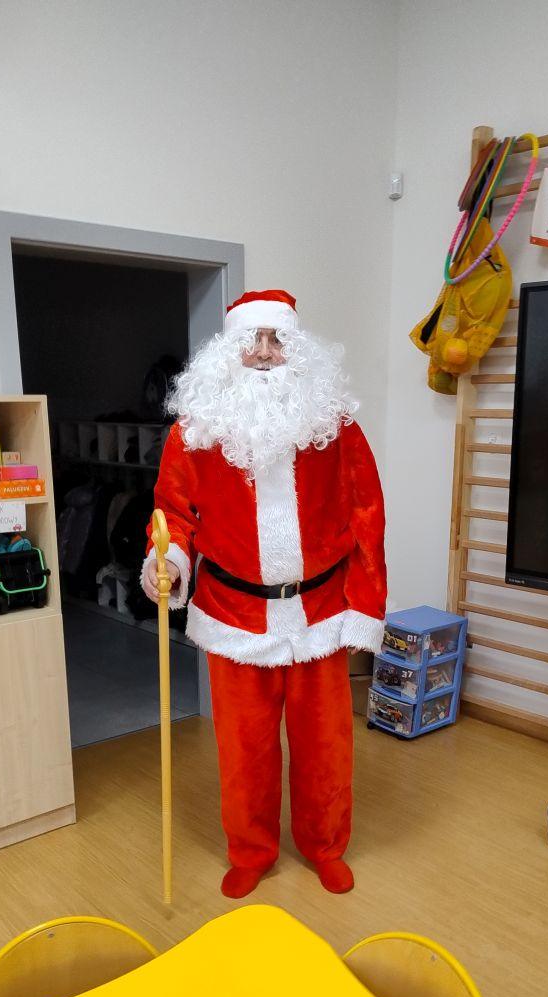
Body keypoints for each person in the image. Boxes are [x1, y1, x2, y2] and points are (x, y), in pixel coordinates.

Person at [142, 289, 386, 898]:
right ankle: (251, 851)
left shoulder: (335, 427)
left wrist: (365, 606)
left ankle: (325, 846)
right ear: (229, 352)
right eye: (252, 340)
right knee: (244, 750)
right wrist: (167, 558)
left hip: (319, 612)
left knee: (326, 747)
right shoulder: (194, 433)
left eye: (278, 340)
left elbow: (366, 516)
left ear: (297, 351)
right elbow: (174, 512)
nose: (265, 353)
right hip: (234, 613)